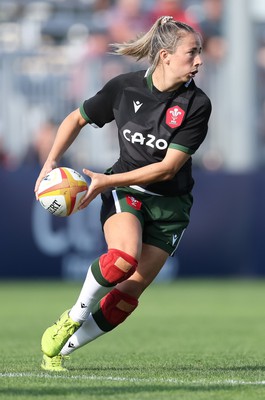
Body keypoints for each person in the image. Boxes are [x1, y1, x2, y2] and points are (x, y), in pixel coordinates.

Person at [34, 15, 212, 372]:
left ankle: (62, 350)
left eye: (199, 53)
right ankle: (73, 316)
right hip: (126, 189)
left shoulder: (197, 105)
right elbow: (75, 119)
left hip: (171, 206)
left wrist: (103, 181)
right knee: (122, 259)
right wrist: (50, 162)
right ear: (164, 56)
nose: (199, 60)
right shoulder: (124, 88)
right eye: (191, 53)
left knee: (128, 295)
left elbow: (167, 168)